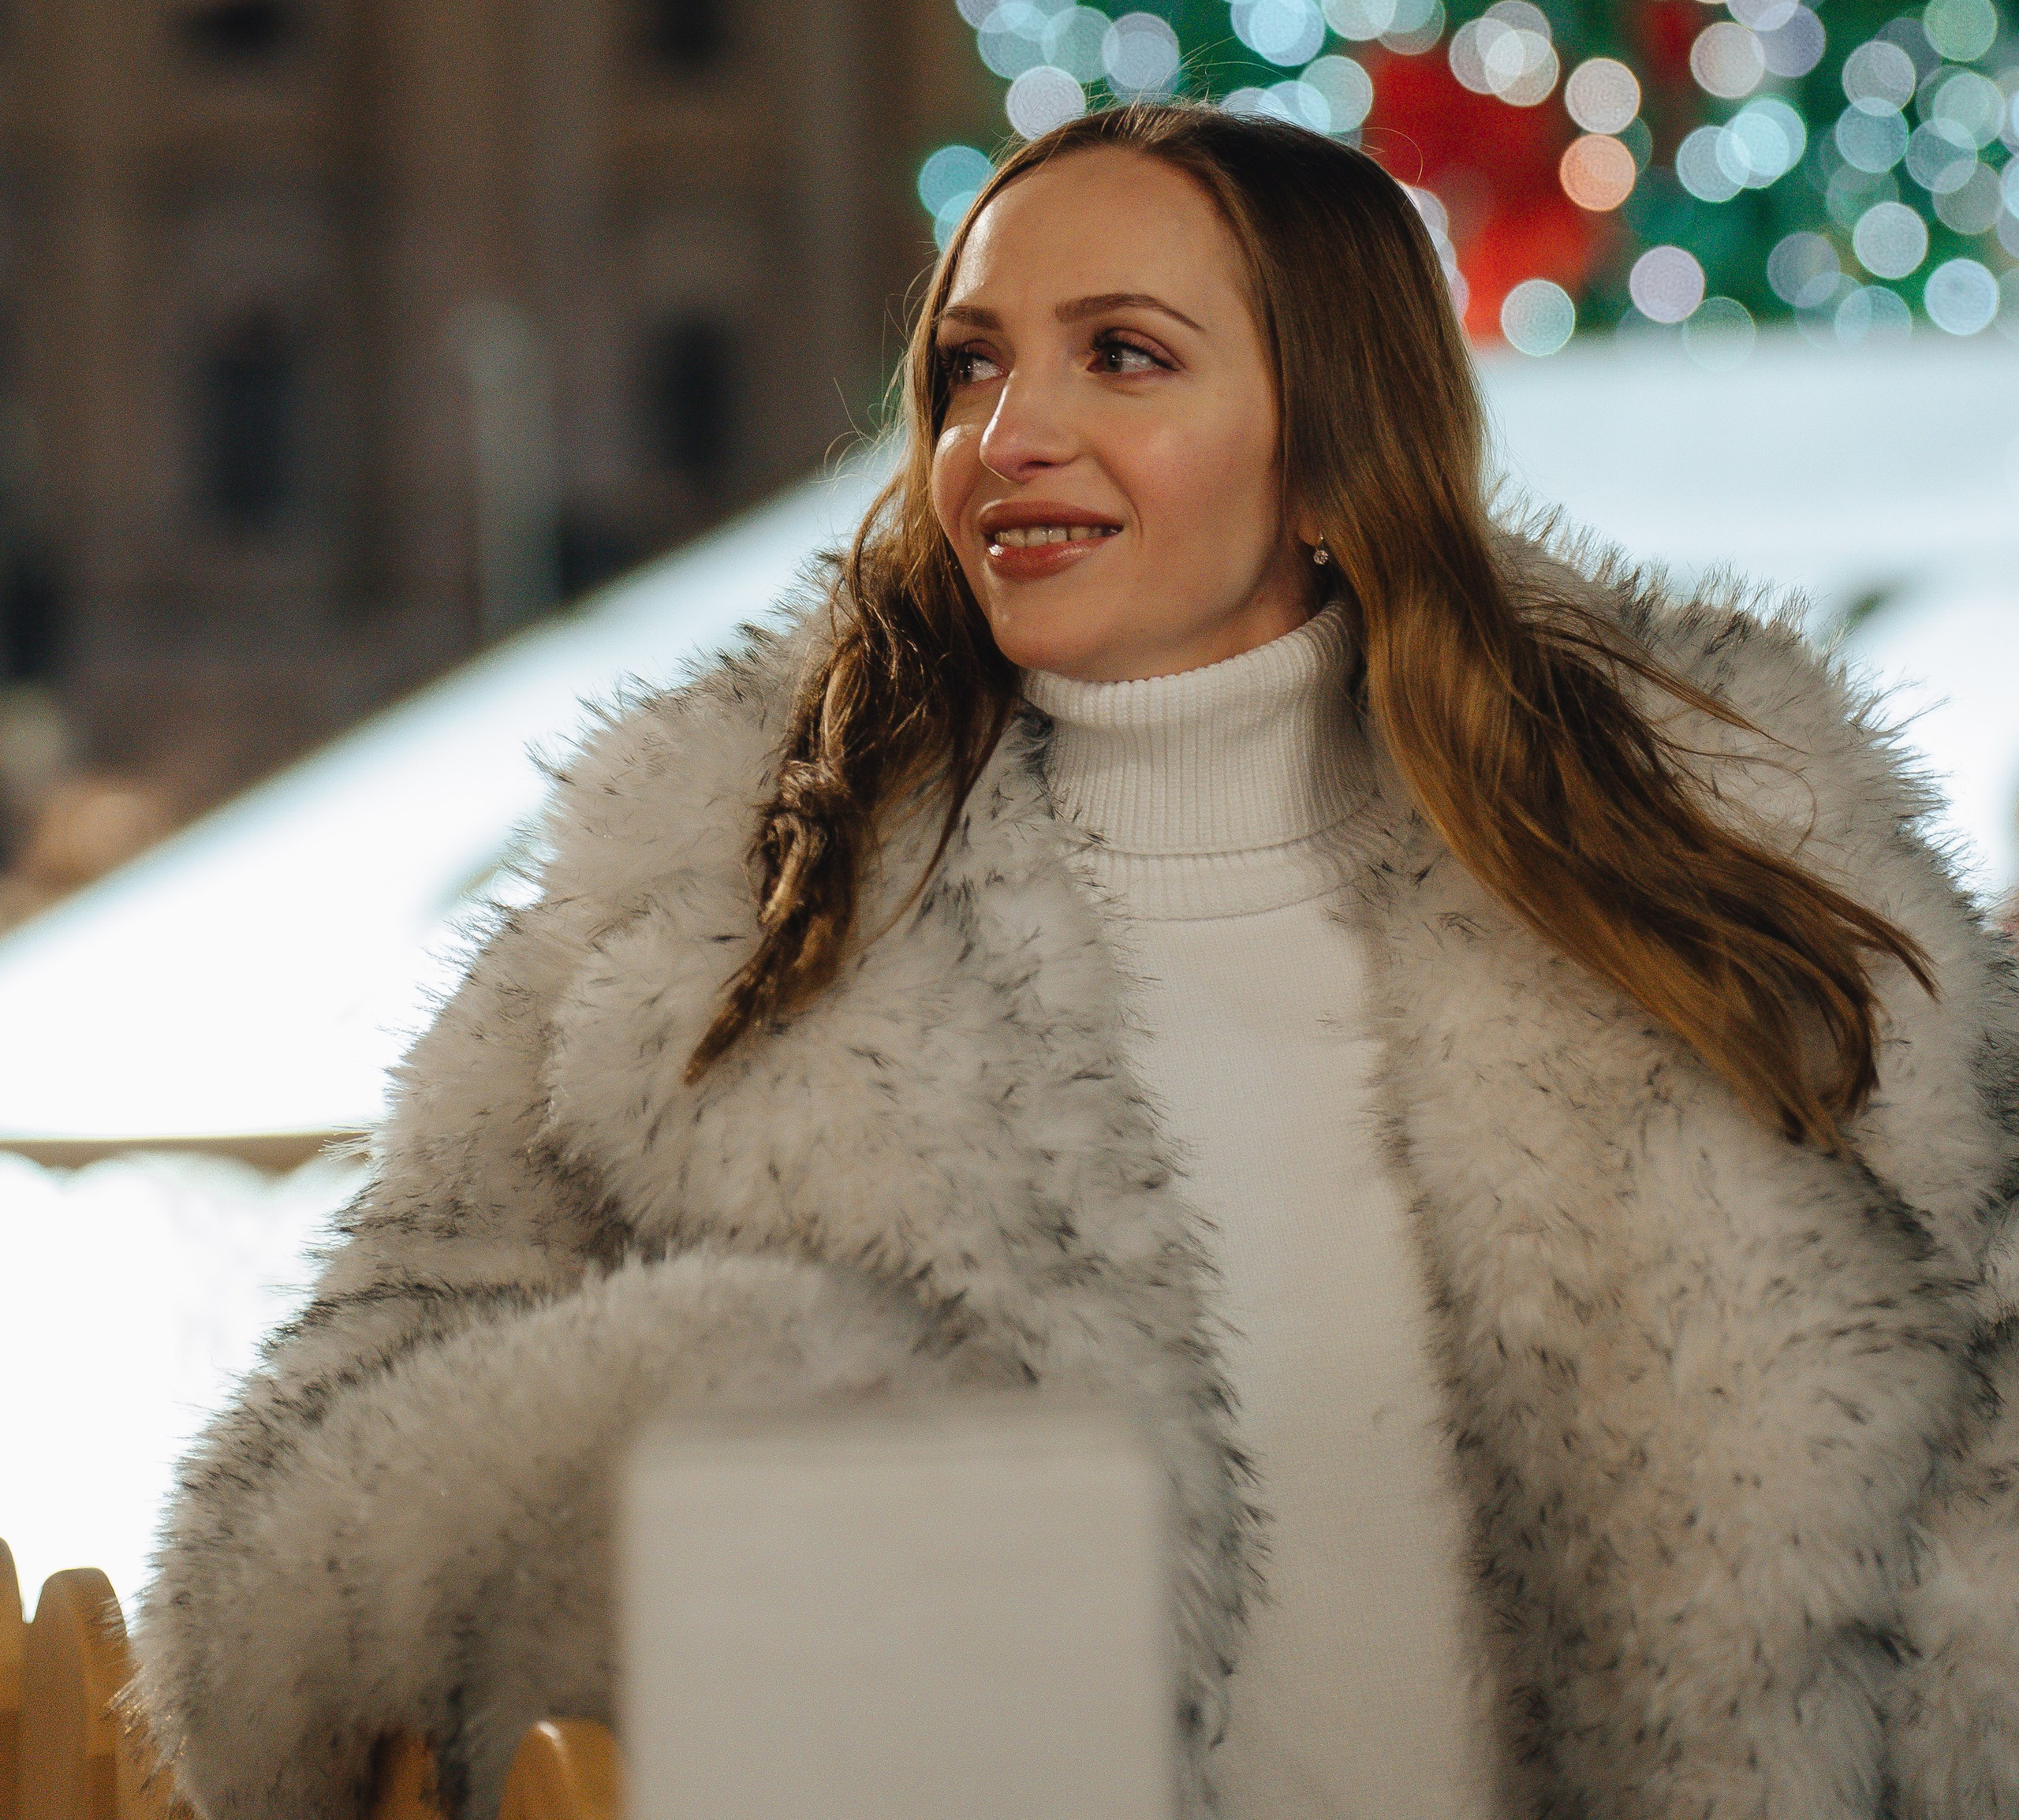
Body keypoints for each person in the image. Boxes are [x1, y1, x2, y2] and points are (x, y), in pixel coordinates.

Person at [136, 102, 2019, 1820]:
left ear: (1327, 441)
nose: (1002, 437)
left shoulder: (1733, 893)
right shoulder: (694, 936)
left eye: (1120, 354)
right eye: (968, 366)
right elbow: (282, 1570)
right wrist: (698, 1450)